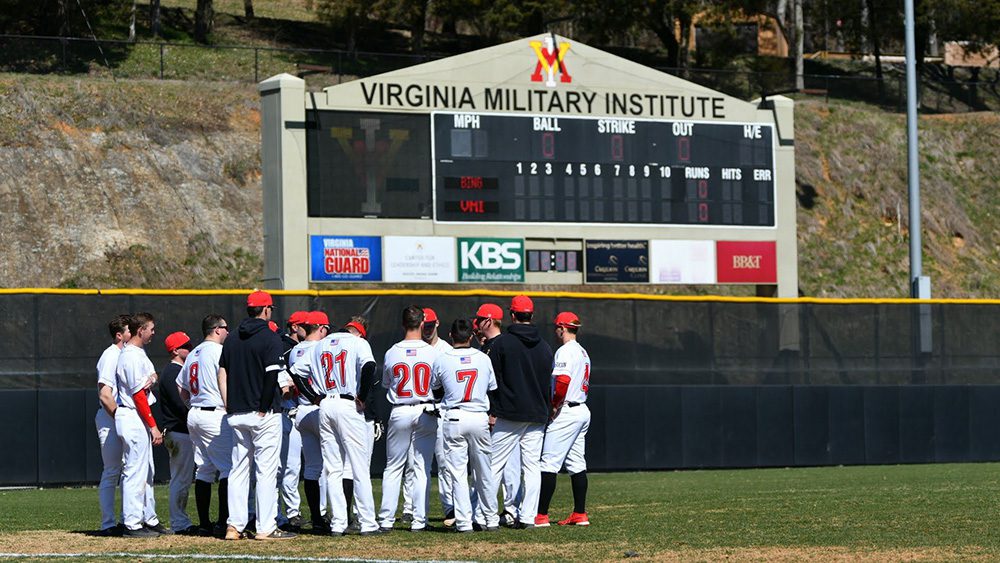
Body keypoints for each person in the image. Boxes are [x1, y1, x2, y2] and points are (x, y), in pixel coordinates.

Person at [219, 290, 296, 540]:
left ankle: (234, 526)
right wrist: (263, 407)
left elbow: (223, 372)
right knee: (266, 471)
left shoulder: (231, 339)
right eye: (270, 308)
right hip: (263, 413)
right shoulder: (270, 337)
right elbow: (271, 375)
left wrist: (227, 403)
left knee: (238, 470)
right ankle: (265, 528)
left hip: (237, 412)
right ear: (265, 310)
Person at [480, 295, 553, 529]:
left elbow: (493, 381)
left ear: (512, 315)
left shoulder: (502, 344)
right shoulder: (545, 346)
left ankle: (488, 517)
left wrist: (493, 409)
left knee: (494, 465)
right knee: (532, 467)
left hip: (509, 413)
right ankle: (528, 517)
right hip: (536, 413)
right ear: (531, 315)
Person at [309, 315, 381, 535]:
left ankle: (338, 523)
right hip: (348, 404)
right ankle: (368, 522)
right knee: (358, 466)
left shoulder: (319, 345)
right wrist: (363, 395)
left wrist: (314, 397)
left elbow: (300, 374)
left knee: (333, 468)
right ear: (358, 331)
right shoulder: (358, 342)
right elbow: (370, 367)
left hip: (326, 404)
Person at [431, 318, 498, 533]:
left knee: (458, 473)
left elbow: (436, 391)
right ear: (471, 336)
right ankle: (491, 519)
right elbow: (492, 388)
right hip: (479, 416)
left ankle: (464, 522)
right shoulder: (483, 358)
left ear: (451, 336)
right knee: (484, 471)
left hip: (455, 417)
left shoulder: (442, 358)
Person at [378, 306, 440, 532]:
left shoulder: (392, 352)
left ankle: (385, 520)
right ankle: (419, 521)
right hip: (425, 408)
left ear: (403, 324)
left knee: (393, 467)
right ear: (423, 323)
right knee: (422, 467)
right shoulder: (433, 352)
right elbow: (439, 384)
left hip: (400, 409)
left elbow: (386, 384)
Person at [535, 312, 592, 527]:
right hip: (582, 409)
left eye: (556, 327)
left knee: (548, 462)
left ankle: (540, 515)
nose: (554, 330)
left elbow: (562, 381)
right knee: (576, 463)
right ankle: (580, 513)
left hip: (567, 410)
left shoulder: (565, 351)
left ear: (562, 327)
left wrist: (554, 406)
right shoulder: (583, 352)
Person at [178, 314, 231, 536]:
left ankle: (204, 524)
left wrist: (192, 405)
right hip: (214, 413)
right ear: (217, 329)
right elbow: (225, 381)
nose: (228, 332)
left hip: (195, 413)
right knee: (228, 468)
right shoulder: (218, 351)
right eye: (226, 328)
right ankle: (221, 523)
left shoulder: (193, 354)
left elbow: (181, 388)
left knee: (204, 469)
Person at [114, 312, 166, 537]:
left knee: (146, 470)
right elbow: (138, 395)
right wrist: (153, 425)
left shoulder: (138, 352)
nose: (153, 332)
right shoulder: (131, 356)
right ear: (140, 330)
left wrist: (153, 379)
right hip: (132, 415)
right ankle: (132, 523)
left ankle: (146, 519)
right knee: (135, 471)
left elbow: (153, 375)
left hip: (137, 416)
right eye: (150, 329)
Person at [470, 303, 522, 526]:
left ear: (489, 321)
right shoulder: (493, 345)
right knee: (500, 466)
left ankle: (506, 511)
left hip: (500, 413)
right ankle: (506, 511)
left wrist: (494, 412)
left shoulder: (500, 345)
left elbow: (498, 384)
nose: (478, 324)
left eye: (480, 320)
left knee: (504, 467)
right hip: (500, 412)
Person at [281, 310, 330, 533]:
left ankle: (297, 512)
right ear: (321, 328)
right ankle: (322, 513)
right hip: (319, 408)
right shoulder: (322, 348)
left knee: (301, 467)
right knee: (329, 466)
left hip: (298, 410)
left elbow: (293, 377)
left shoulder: (294, 351)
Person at [158, 331, 198, 535]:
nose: (190, 348)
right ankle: (179, 523)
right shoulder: (173, 372)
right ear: (175, 350)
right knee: (181, 479)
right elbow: (181, 405)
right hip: (178, 431)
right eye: (186, 346)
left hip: (178, 432)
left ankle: (180, 521)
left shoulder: (176, 370)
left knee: (181, 478)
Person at [95, 314, 131, 536]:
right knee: (112, 471)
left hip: (120, 416)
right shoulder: (110, 356)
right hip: (110, 417)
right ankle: (108, 523)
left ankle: (130, 520)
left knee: (129, 469)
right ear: (119, 335)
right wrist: (120, 417)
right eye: (129, 330)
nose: (133, 333)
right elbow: (105, 395)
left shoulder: (128, 355)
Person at [420, 307, 455, 525]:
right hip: (420, 408)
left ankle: (449, 507)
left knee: (444, 461)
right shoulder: (412, 347)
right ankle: (411, 509)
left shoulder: (447, 349)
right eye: (424, 326)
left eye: (431, 325)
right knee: (415, 463)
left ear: (437, 324)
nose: (427, 330)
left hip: (442, 410)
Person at [277, 311, 309, 531]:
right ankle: (291, 512)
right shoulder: (285, 349)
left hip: (299, 409)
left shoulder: (301, 348)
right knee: (289, 466)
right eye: (304, 325)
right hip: (288, 410)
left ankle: (293, 511)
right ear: (295, 327)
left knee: (296, 467)